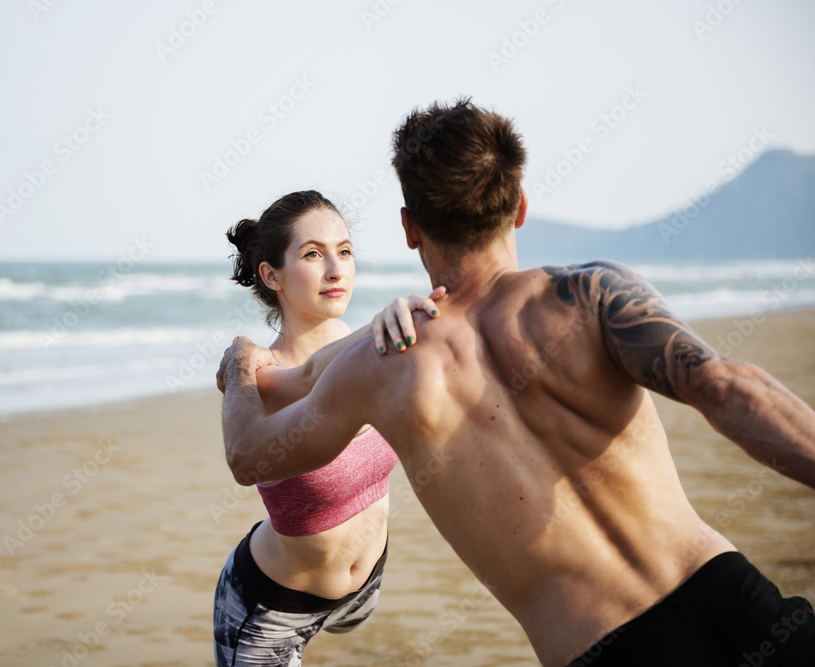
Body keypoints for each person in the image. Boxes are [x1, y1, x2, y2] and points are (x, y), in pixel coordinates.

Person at [217, 100, 815, 665]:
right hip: (734, 598)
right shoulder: (592, 294)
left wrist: (243, 368)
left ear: (410, 227)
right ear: (521, 204)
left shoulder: (386, 363)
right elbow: (731, 391)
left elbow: (249, 454)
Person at [213, 190, 444, 666]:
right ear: (271, 274)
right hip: (273, 610)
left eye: (344, 251)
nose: (336, 270)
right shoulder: (262, 376)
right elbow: (314, 377)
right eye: (313, 254)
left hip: (364, 591)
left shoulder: (377, 346)